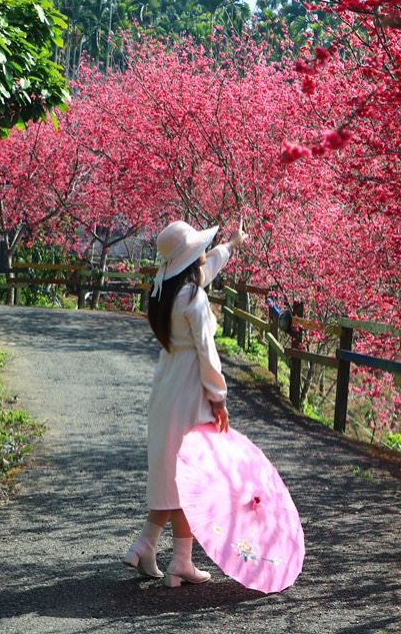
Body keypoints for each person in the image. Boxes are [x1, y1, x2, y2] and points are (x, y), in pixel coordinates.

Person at [124, 219, 247, 588]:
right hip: (190, 393)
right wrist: (219, 397)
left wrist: (232, 245)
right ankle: (180, 561)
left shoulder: (164, 289)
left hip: (165, 390)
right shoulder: (194, 297)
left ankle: (145, 545)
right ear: (192, 256)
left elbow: (205, 270)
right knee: (191, 478)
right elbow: (208, 354)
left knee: (169, 474)